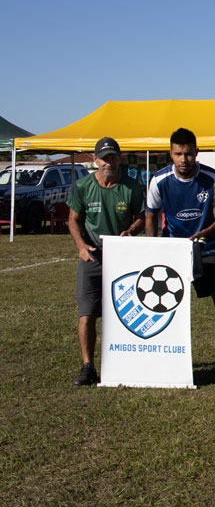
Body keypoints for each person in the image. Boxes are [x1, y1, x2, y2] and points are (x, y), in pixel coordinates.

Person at [145, 128, 215, 379]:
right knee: (165, 303)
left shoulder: (212, 178)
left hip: (205, 247)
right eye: (178, 154)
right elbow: (150, 214)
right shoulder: (159, 179)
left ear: (197, 152)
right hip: (173, 250)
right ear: (170, 154)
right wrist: (153, 247)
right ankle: (166, 361)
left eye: (188, 154)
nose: (184, 159)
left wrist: (207, 230)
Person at [67, 137, 145, 386]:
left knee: (126, 312)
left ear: (119, 159)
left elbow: (141, 217)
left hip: (123, 257)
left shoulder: (132, 187)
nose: (108, 162)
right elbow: (73, 220)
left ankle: (125, 361)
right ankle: (88, 366)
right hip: (93, 256)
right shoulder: (82, 186)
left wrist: (131, 231)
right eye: (104, 158)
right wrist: (80, 246)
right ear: (94, 159)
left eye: (113, 157)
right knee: (87, 313)